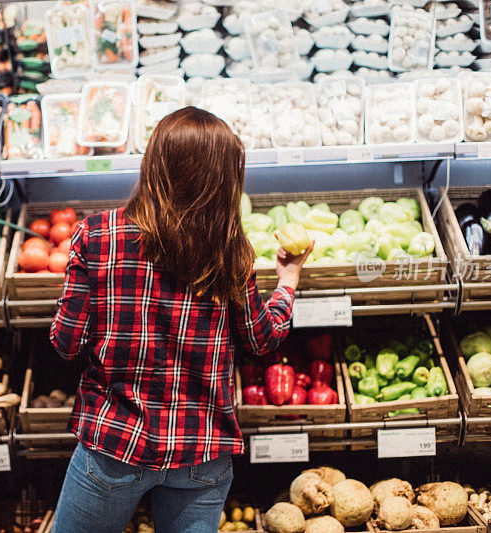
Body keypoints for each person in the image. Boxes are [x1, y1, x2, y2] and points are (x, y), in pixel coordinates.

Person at [49, 106, 311, 533]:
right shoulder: (230, 249)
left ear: (153, 165)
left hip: (115, 441)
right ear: (226, 178)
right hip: (201, 447)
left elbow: (65, 342)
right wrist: (288, 281)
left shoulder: (97, 235)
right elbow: (262, 340)